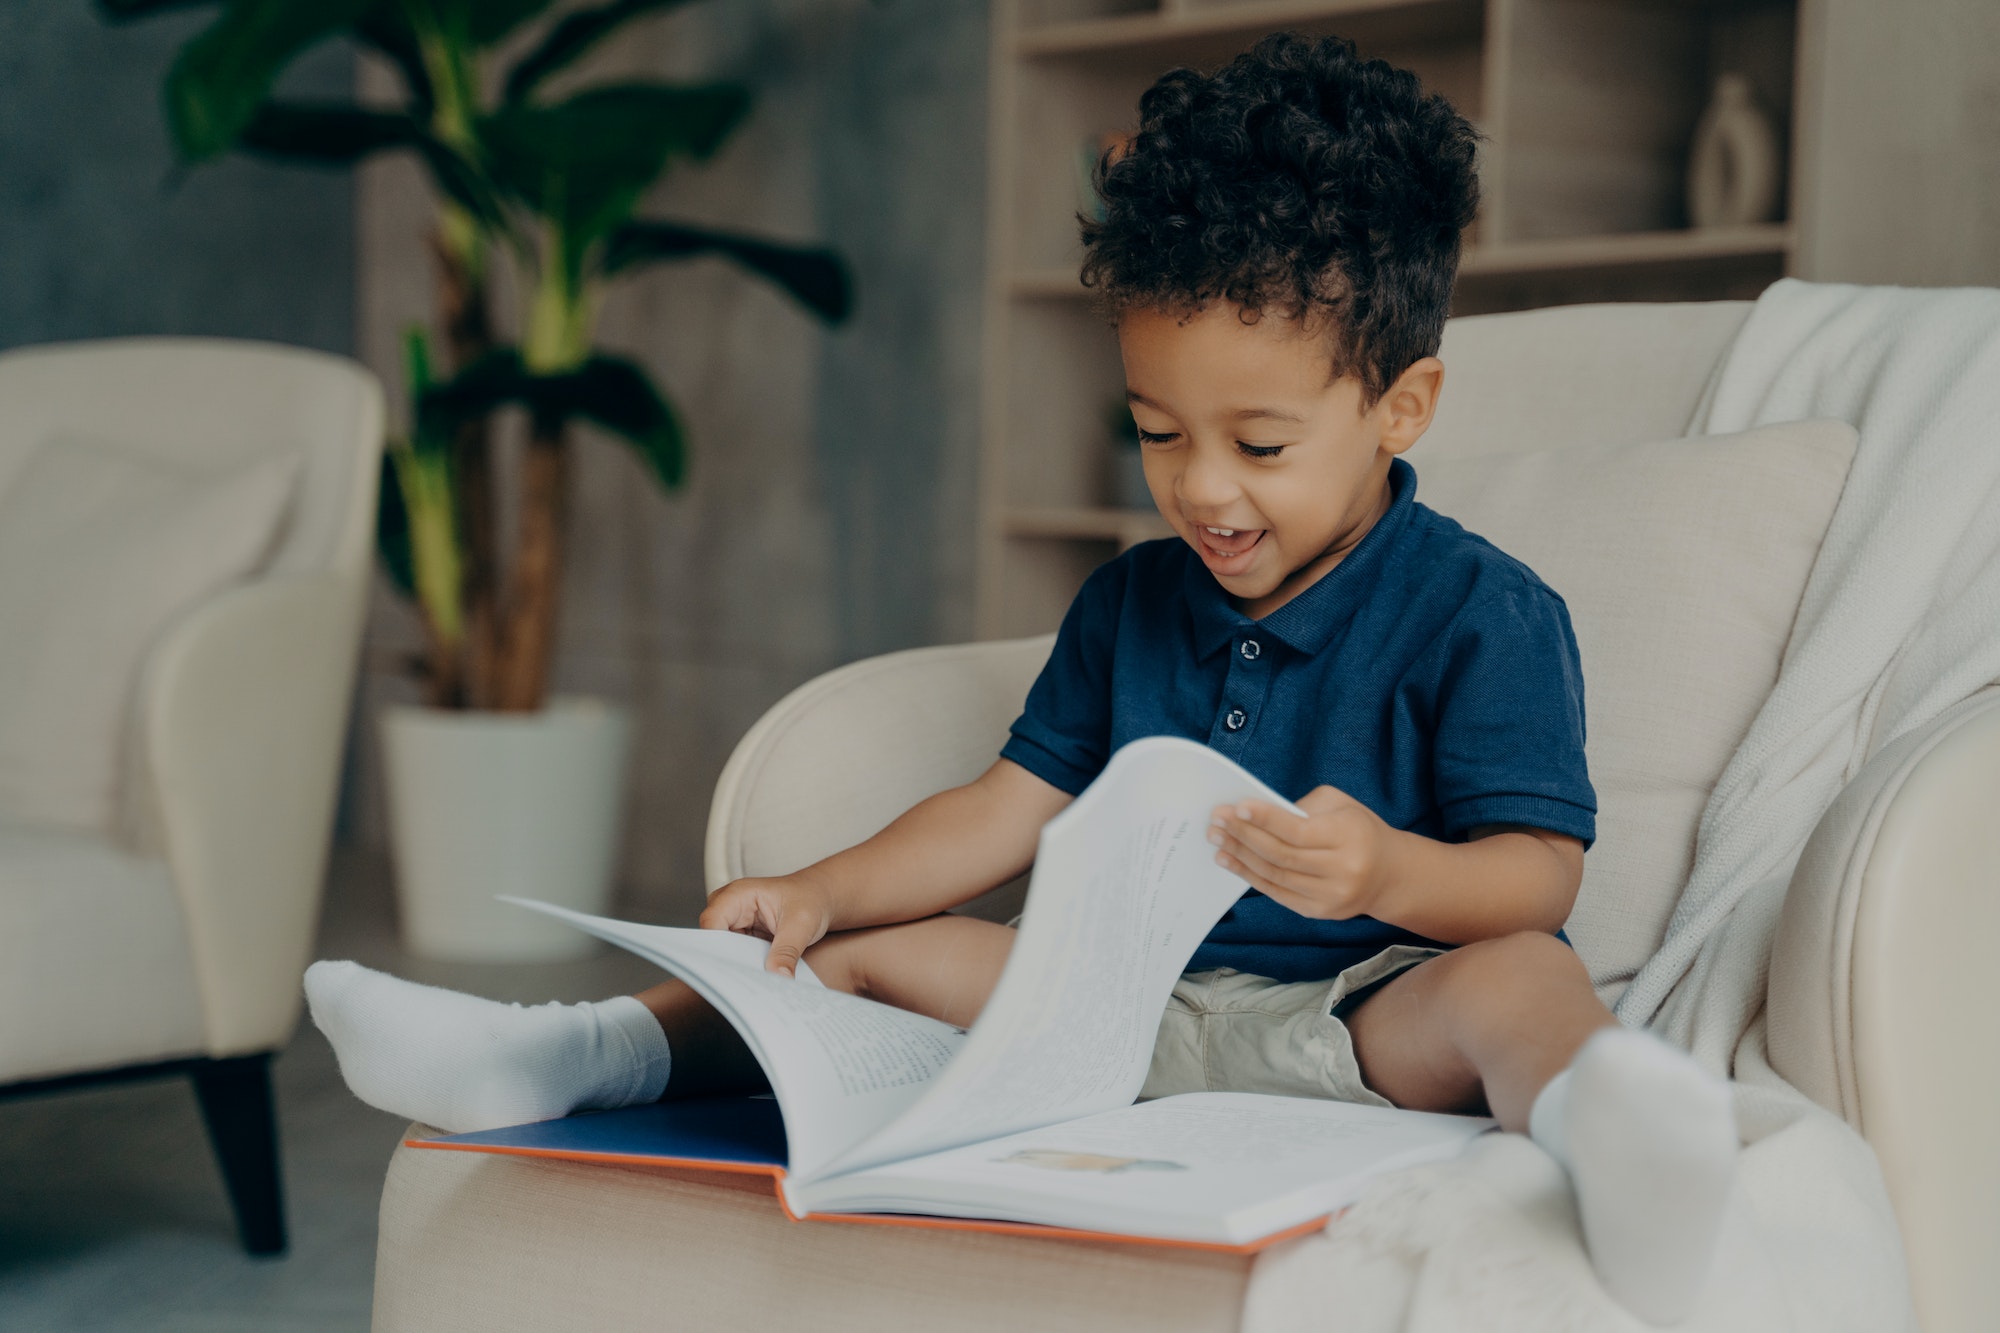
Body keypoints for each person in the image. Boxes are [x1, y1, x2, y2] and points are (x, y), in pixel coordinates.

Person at [308, 32, 1736, 1326]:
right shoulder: (1129, 600)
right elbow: (1003, 806)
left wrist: (1382, 873)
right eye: (1158, 430)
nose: (1201, 488)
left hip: (1359, 1020)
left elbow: (1535, 876)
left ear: (1400, 407)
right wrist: (822, 891)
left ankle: (1616, 1146)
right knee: (856, 955)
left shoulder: (1483, 611)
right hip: (1108, 1011)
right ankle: (564, 1059)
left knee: (1522, 980)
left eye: (1259, 443)